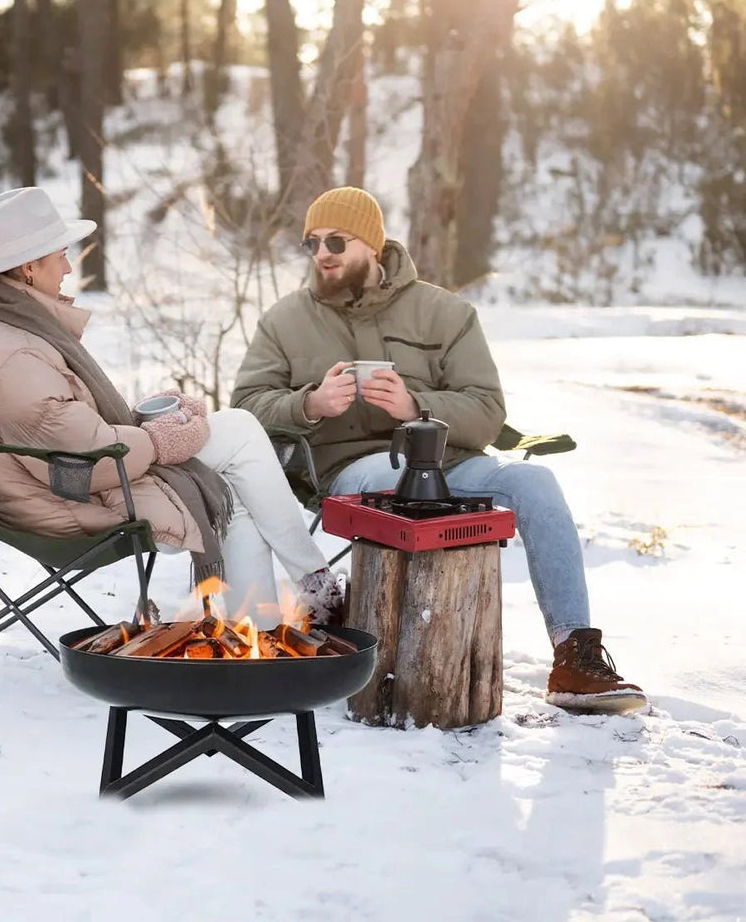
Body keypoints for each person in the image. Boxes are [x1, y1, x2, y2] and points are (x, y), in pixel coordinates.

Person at [230, 186, 647, 713]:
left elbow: (487, 409)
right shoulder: (286, 320)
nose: (322, 254)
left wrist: (415, 405)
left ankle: (574, 655)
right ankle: (391, 659)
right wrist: (309, 404)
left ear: (374, 246)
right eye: (311, 243)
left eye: (336, 240)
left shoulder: (444, 312)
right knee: (388, 477)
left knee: (534, 483)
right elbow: (245, 406)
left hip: (450, 461)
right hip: (353, 469)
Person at [0, 187, 342, 625]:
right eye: (60, 255)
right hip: (69, 498)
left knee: (234, 483)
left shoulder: (5, 325)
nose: (67, 266)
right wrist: (159, 438)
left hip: (63, 479)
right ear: (27, 269)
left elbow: (64, 428)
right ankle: (311, 587)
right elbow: (87, 459)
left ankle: (260, 631)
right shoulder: (16, 353)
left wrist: (140, 422)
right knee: (242, 434)